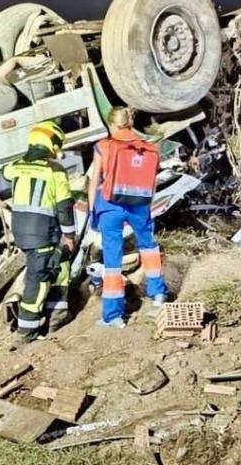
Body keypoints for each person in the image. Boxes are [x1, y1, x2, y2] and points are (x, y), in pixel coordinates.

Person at [87, 107, 168, 328]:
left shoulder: (103, 146)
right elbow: (150, 179)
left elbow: (94, 181)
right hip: (139, 204)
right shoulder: (149, 147)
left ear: (111, 125)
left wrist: (93, 212)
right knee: (149, 248)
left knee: (112, 261)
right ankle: (158, 295)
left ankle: (114, 316)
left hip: (110, 206)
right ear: (130, 124)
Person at [3, 120, 76, 342]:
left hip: (21, 231)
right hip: (43, 231)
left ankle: (57, 314)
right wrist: (70, 235)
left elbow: (7, 174)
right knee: (40, 278)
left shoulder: (15, 166)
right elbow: (64, 207)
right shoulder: (55, 171)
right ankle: (27, 330)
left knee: (58, 266)